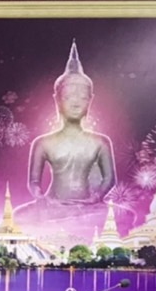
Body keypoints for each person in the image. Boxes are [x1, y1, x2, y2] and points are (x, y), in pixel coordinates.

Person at [27, 41, 115, 205]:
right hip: (54, 204)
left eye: (83, 97)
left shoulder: (101, 142)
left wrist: (96, 198)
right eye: (68, 97)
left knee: (122, 214)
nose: (76, 103)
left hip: (88, 205)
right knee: (19, 214)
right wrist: (41, 199)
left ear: (90, 101)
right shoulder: (43, 143)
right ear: (57, 100)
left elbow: (109, 178)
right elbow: (33, 182)